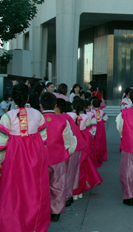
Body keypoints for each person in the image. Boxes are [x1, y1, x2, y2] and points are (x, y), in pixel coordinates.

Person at [0, 84, 50, 232]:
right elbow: (43, 138)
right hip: (34, 158)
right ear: (28, 97)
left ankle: (12, 224)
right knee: (33, 191)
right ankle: (33, 224)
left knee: (12, 191)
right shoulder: (37, 114)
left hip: (13, 159)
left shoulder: (7, 117)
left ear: (13, 98)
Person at [40, 92, 77, 222]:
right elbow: (69, 139)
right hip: (59, 156)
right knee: (58, 184)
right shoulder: (63, 120)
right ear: (55, 105)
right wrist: (69, 152)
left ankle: (42, 209)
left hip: (40, 159)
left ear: (41, 106)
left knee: (41, 185)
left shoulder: (37, 119)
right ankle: (55, 211)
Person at [56, 99, 86, 208]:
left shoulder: (62, 118)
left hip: (72, 147)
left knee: (68, 173)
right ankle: (71, 194)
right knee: (72, 171)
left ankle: (67, 196)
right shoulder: (66, 117)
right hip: (76, 146)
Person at [72, 98, 102, 200]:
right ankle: (80, 190)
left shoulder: (69, 116)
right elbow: (91, 130)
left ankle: (73, 191)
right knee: (82, 167)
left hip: (74, 139)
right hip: (84, 140)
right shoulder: (85, 116)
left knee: (72, 167)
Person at [90, 97, 108, 167]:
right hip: (101, 126)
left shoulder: (92, 112)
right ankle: (102, 156)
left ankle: (95, 157)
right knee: (102, 141)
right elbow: (105, 119)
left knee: (95, 141)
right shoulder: (102, 112)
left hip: (94, 126)